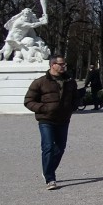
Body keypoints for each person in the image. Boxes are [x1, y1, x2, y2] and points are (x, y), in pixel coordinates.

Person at [24, 54, 78, 190]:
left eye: (64, 64)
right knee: (48, 147)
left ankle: (47, 169)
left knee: (60, 148)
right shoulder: (40, 82)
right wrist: (43, 108)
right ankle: (50, 178)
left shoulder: (70, 81)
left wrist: (73, 107)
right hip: (46, 119)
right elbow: (28, 101)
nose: (63, 66)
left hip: (63, 119)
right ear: (52, 65)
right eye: (61, 64)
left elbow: (75, 98)